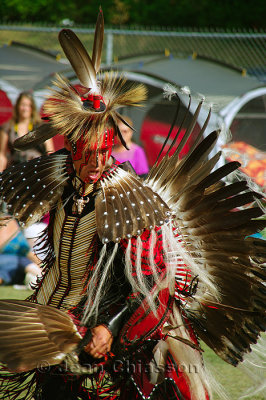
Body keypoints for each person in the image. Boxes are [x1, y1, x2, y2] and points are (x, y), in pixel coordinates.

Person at [0, 10, 265, 400]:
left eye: (102, 154)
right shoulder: (55, 174)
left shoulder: (128, 198)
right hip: (57, 311)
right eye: (85, 155)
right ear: (69, 150)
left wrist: (107, 326)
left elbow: (149, 283)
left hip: (118, 317)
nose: (95, 164)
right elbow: (13, 219)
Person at [0, 91, 54, 171]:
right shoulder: (7, 127)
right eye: (23, 105)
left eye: (28, 105)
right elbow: (2, 155)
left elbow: (50, 152)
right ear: (17, 106)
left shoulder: (40, 127)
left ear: (32, 108)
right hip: (16, 170)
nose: (25, 108)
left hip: (37, 169)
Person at [0, 218, 42, 286]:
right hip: (10, 259)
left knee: (8, 271)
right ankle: (43, 277)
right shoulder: (8, 220)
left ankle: (41, 276)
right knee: (22, 261)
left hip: (12, 265)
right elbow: (26, 253)